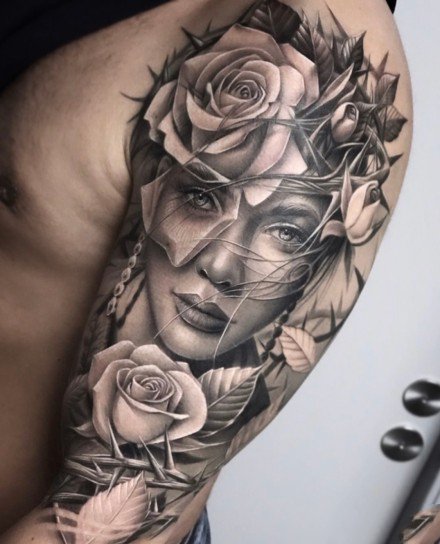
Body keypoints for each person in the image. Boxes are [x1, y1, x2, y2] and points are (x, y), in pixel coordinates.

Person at [0, 0, 413, 543]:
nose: (220, 266)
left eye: (285, 231)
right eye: (200, 197)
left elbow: (99, 531)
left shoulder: (320, 30)